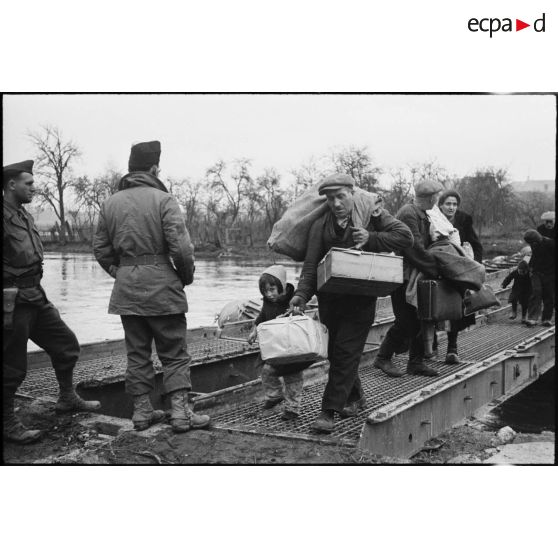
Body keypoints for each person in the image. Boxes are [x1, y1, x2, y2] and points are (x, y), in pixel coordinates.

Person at [93, 141, 210, 432]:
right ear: (155, 168)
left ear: (131, 168)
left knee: (137, 352)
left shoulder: (110, 203)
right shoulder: (164, 199)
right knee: (174, 352)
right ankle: (181, 414)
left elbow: (100, 248)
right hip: (163, 288)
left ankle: (143, 413)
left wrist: (119, 272)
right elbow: (181, 250)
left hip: (127, 290)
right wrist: (183, 277)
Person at [289, 173, 413, 433]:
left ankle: (328, 412)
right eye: (331, 198)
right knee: (336, 354)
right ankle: (355, 397)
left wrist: (371, 238)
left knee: (345, 352)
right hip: (330, 301)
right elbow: (311, 265)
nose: (335, 203)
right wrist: (301, 295)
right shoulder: (320, 225)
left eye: (341, 196)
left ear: (352, 194)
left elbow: (405, 237)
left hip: (361, 299)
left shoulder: (371, 215)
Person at [3, 160, 100, 444]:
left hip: (35, 296)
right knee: (12, 366)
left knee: (66, 344)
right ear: (11, 185)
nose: (34, 188)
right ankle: (7, 422)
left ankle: (67, 397)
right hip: (12, 301)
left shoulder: (23, 216)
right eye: (28, 183)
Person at [373, 179, 443, 379]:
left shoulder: (422, 215)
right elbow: (413, 248)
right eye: (436, 196)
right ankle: (383, 357)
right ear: (431, 197)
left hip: (415, 275)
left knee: (420, 319)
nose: (437, 199)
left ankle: (416, 362)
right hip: (403, 277)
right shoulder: (408, 213)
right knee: (406, 322)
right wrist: (436, 267)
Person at [248, 265, 305, 421]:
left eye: (272, 289)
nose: (269, 294)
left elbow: (301, 318)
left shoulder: (293, 300)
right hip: (274, 348)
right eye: (265, 291)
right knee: (266, 371)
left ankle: (292, 409)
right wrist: (254, 331)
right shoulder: (267, 302)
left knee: (293, 379)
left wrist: (294, 314)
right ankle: (274, 395)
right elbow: (261, 318)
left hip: (292, 348)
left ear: (282, 286)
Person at [436, 189, 484, 363]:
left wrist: (475, 265)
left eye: (454, 204)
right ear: (440, 205)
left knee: (456, 309)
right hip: (436, 269)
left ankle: (452, 348)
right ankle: (431, 346)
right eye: (448, 204)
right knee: (432, 307)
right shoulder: (432, 218)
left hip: (458, 272)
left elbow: (476, 245)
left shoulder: (463, 219)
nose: (451, 207)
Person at [522, 229, 555, 327]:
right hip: (536, 272)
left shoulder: (551, 243)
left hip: (550, 273)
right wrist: (529, 267)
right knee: (536, 292)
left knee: (549, 295)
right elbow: (534, 256)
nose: (533, 244)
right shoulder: (534, 244)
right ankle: (532, 318)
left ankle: (546, 319)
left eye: (533, 242)